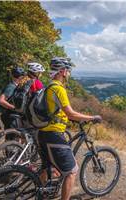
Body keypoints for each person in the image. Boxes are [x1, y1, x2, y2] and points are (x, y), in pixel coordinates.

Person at [38, 57, 102, 200]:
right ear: (62, 71)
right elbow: (70, 113)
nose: (68, 73)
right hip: (53, 134)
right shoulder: (58, 88)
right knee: (72, 172)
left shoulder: (49, 86)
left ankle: (41, 192)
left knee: (47, 167)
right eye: (67, 70)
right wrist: (92, 118)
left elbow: (58, 112)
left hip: (42, 133)